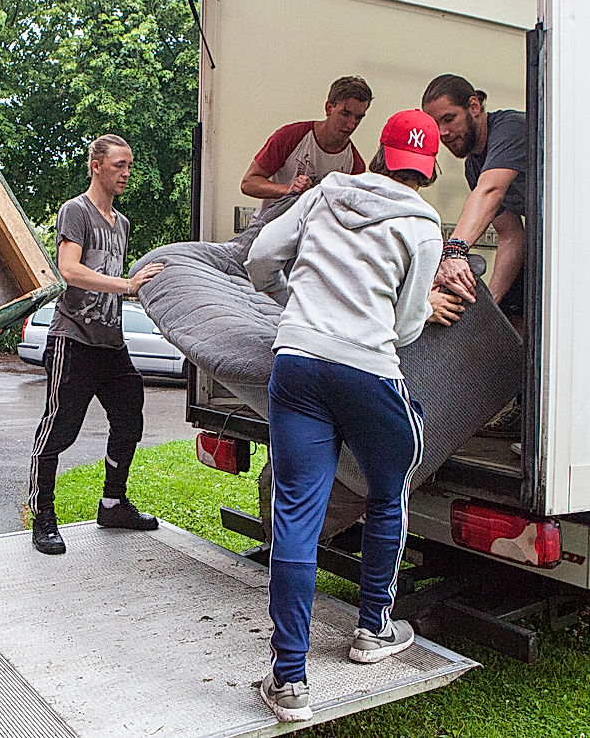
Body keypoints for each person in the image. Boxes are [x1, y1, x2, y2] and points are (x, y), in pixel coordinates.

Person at [245, 110, 443, 723]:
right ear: (428, 170)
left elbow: (259, 259)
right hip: (367, 369)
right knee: (389, 490)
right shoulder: (424, 227)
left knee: (297, 512)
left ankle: (288, 680)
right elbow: (409, 325)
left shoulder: (326, 192)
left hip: (298, 362)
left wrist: (300, 306)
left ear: (378, 153)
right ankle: (373, 632)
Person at [27, 134, 164, 555]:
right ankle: (42, 516)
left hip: (110, 343)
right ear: (97, 166)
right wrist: (126, 285)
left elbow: (112, 283)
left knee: (130, 417)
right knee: (59, 431)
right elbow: (69, 269)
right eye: (119, 165)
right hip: (74, 340)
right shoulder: (76, 211)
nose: (126, 173)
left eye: (129, 165)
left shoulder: (120, 224)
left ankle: (113, 503)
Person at [422, 74, 528, 436]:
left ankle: (535, 407)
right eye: (435, 125)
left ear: (474, 106)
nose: (443, 133)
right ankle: (519, 404)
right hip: (537, 241)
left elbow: (492, 190)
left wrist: (453, 251)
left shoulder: (511, 128)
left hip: (577, 241)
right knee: (511, 310)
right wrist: (491, 308)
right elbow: (512, 236)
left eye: (448, 119)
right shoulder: (472, 164)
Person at [240, 76, 373, 216]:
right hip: (268, 226)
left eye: (358, 118)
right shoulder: (291, 136)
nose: (351, 125)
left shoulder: (355, 165)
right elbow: (248, 183)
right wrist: (289, 190)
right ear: (329, 108)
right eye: (345, 114)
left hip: (311, 234)